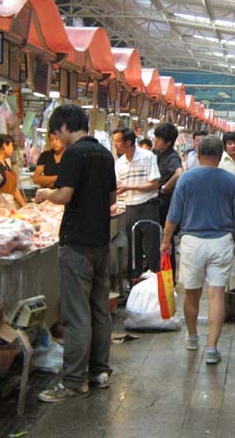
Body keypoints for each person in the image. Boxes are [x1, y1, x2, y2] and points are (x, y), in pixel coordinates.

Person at [35, 105, 117, 401]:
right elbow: (111, 197)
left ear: (66, 127)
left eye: (56, 132)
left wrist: (45, 194)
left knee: (76, 313)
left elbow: (64, 195)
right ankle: (99, 371)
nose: (57, 138)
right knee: (98, 308)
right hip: (100, 242)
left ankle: (73, 381)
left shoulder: (74, 154)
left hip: (77, 243)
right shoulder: (105, 154)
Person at [161, 136, 235, 365]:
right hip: (221, 241)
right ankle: (212, 348)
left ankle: (192, 337)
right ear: (221, 156)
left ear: (198, 154)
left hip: (192, 242)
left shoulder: (186, 179)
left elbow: (174, 215)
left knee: (192, 293)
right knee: (216, 294)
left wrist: (166, 240)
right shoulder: (230, 180)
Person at [113, 127, 161, 277]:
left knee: (151, 247)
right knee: (133, 250)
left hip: (148, 207)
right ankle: (134, 283)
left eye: (117, 141)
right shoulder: (119, 163)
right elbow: (118, 187)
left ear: (128, 142)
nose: (115, 144)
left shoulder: (147, 157)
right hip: (129, 209)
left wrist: (129, 187)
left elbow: (154, 184)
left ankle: (154, 284)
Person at [152, 122, 182, 227]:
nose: (155, 141)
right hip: (155, 200)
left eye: (159, 139)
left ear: (169, 142)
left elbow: (179, 173)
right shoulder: (155, 153)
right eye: (155, 137)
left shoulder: (172, 157)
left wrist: (165, 187)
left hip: (165, 202)